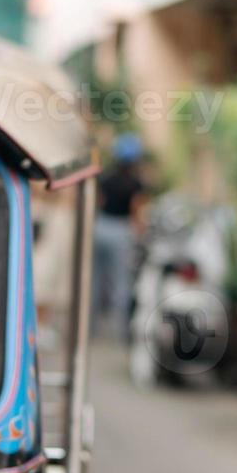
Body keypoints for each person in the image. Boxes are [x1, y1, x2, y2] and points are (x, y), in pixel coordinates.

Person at [92, 132, 147, 343]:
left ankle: (91, 329)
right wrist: (141, 232)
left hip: (100, 226)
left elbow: (98, 202)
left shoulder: (105, 178)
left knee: (95, 280)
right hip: (121, 231)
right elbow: (136, 211)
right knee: (120, 283)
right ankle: (119, 333)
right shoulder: (136, 183)